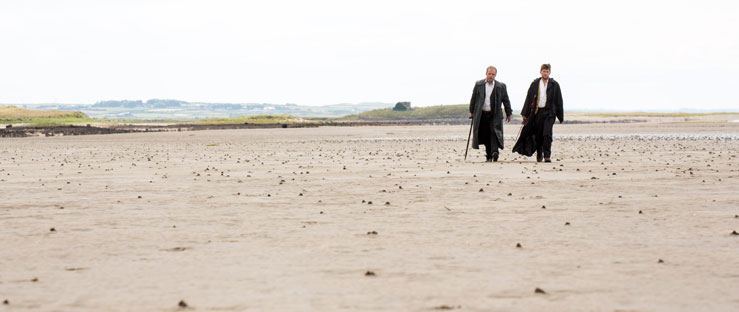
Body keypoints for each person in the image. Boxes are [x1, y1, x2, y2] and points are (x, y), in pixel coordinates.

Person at [513, 63, 564, 162]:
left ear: (550, 72)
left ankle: (547, 155)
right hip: (537, 113)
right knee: (539, 135)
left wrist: (560, 116)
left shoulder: (554, 85)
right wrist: (525, 114)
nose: (545, 73)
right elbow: (528, 98)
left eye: (547, 71)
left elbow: (559, 101)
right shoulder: (535, 84)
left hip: (549, 113)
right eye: (544, 71)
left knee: (547, 134)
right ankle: (539, 153)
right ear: (541, 72)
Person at [469, 66, 512, 162]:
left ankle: (494, 152)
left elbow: (506, 100)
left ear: (495, 75)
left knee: (494, 133)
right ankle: (489, 156)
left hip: (495, 114)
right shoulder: (479, 84)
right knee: (485, 134)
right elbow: (473, 99)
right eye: (489, 74)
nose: (491, 76)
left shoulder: (501, 86)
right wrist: (471, 111)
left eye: (493, 74)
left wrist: (508, 113)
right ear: (486, 74)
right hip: (482, 114)